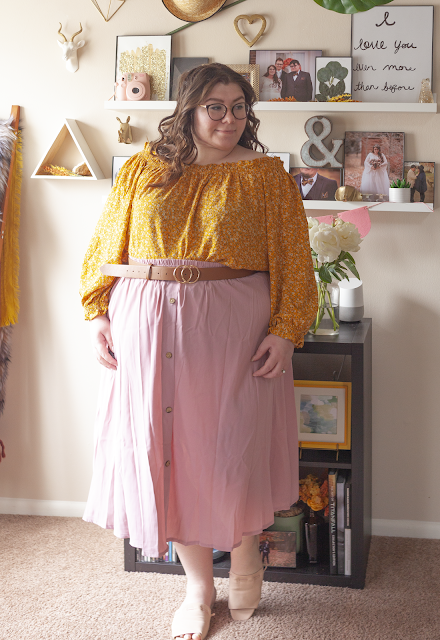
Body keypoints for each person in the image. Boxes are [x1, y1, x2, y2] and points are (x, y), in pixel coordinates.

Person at [80, 63, 317, 640]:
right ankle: (197, 587)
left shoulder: (266, 176)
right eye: (216, 106)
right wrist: (97, 312)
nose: (230, 119)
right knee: (169, 453)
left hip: (232, 325)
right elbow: (105, 242)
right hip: (147, 320)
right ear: (188, 109)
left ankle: (244, 560)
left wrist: (286, 329)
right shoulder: (142, 168)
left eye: (239, 107)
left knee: (229, 444)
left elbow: (294, 258)